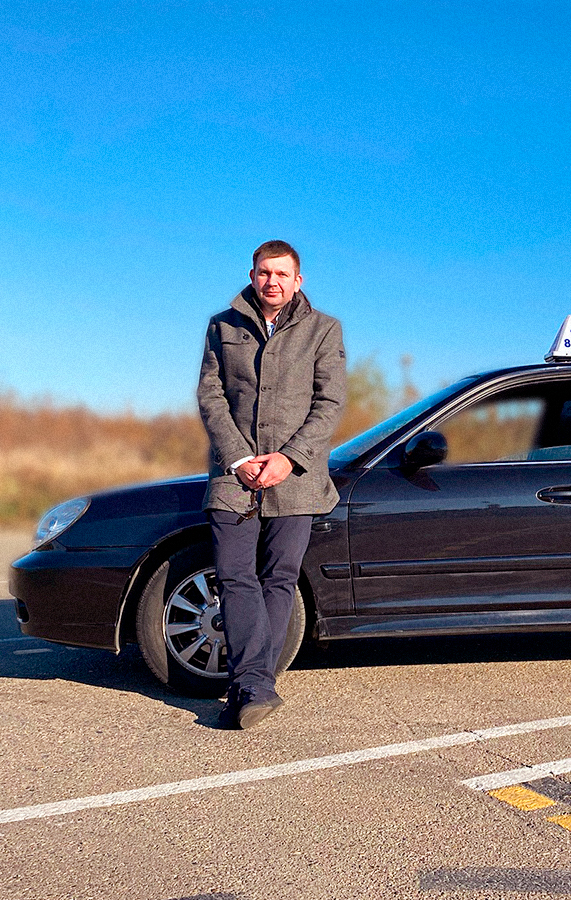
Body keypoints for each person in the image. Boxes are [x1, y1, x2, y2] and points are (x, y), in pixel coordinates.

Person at [197, 240, 345, 729]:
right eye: (264, 273)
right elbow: (211, 396)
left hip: (296, 478)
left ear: (298, 279)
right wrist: (239, 458)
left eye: (282, 274)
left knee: (279, 579)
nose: (272, 282)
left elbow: (329, 405)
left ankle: (252, 686)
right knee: (234, 574)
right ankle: (256, 685)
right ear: (252, 274)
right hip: (233, 476)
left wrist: (288, 458)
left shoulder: (324, 330)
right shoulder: (223, 325)